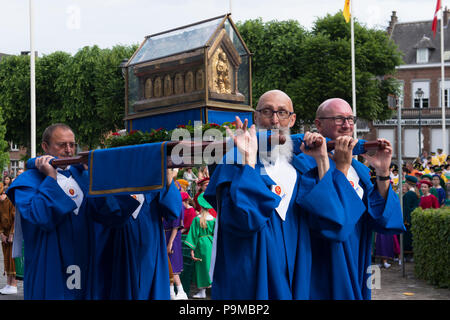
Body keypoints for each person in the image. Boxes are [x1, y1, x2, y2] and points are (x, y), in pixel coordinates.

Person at [204, 90, 347, 299]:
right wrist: (249, 161)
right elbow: (244, 219)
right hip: (253, 275)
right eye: (267, 112)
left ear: (292, 119)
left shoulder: (302, 167)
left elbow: (333, 223)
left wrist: (323, 160)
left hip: (298, 273)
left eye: (282, 113)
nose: (274, 120)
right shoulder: (234, 163)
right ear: (255, 117)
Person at [6, 123, 139, 299]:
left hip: (83, 258)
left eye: (72, 144)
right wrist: (51, 179)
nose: (69, 150)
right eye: (62, 145)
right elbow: (40, 217)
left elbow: (111, 215)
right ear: (45, 147)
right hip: (50, 262)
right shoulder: (27, 181)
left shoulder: (81, 176)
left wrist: (98, 178)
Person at [309, 98, 405, 300]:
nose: (347, 125)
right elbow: (328, 216)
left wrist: (382, 171)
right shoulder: (307, 163)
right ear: (319, 124)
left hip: (359, 254)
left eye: (350, 119)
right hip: (325, 257)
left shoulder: (360, 169)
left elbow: (380, 218)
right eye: (339, 119)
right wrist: (341, 169)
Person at [90, 168, 182, 300]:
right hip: (121, 250)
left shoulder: (155, 185)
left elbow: (173, 212)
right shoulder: (113, 183)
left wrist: (168, 177)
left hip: (151, 251)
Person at [184, 192, 215, 299]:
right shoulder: (214, 219)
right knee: (211, 266)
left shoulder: (197, 219)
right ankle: (212, 288)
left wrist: (192, 249)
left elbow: (193, 235)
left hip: (201, 245)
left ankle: (202, 292)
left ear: (200, 205)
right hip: (211, 244)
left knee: (201, 267)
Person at [164, 203, 187, 300]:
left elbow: (176, 226)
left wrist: (170, 242)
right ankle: (171, 292)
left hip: (172, 237)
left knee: (172, 266)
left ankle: (181, 291)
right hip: (166, 235)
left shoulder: (178, 205)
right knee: (168, 265)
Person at [0, 182, 17, 295]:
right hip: (5, 233)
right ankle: (8, 283)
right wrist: (1, 233)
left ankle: (14, 285)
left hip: (12, 232)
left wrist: (12, 234)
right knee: (6, 257)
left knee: (13, 258)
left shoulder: (10, 200)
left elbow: (15, 218)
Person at [402, 175, 420, 259]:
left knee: (407, 238)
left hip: (408, 220)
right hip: (413, 218)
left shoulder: (408, 194)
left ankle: (407, 255)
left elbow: (406, 208)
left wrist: (405, 219)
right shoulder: (415, 193)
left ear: (407, 183)